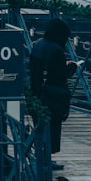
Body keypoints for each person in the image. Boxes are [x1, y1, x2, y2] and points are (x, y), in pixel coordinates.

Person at [29, 18, 76, 169]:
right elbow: (58, 78)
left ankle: (41, 158)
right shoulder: (56, 50)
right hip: (51, 96)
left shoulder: (38, 45)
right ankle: (46, 161)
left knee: (40, 127)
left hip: (36, 93)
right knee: (52, 129)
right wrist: (71, 68)